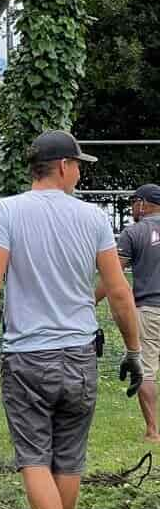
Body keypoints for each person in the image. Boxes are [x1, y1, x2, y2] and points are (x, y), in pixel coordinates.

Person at [0, 130, 142, 509]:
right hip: (79, 356)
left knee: (34, 459)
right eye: (78, 166)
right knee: (70, 459)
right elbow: (118, 292)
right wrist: (134, 352)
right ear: (62, 166)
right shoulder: (93, 218)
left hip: (28, 358)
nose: (79, 174)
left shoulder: (6, 212)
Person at [95, 184, 160, 442]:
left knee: (146, 369)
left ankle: (153, 431)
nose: (132, 208)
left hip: (150, 311)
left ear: (143, 204)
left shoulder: (134, 232)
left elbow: (112, 276)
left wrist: (89, 302)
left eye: (134, 202)